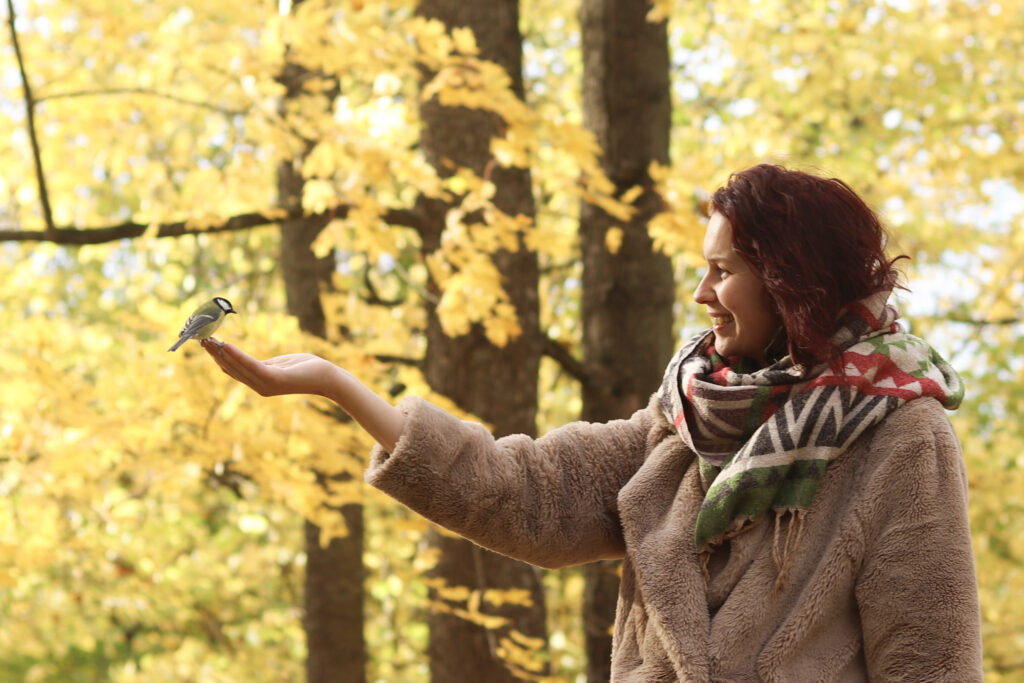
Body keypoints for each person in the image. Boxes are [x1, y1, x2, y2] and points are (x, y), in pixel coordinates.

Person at [204, 164, 983, 681]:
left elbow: (931, 665)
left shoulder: (901, 435)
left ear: (790, 284)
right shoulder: (685, 417)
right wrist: (336, 385)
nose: (701, 293)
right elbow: (522, 491)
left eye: (723, 271)